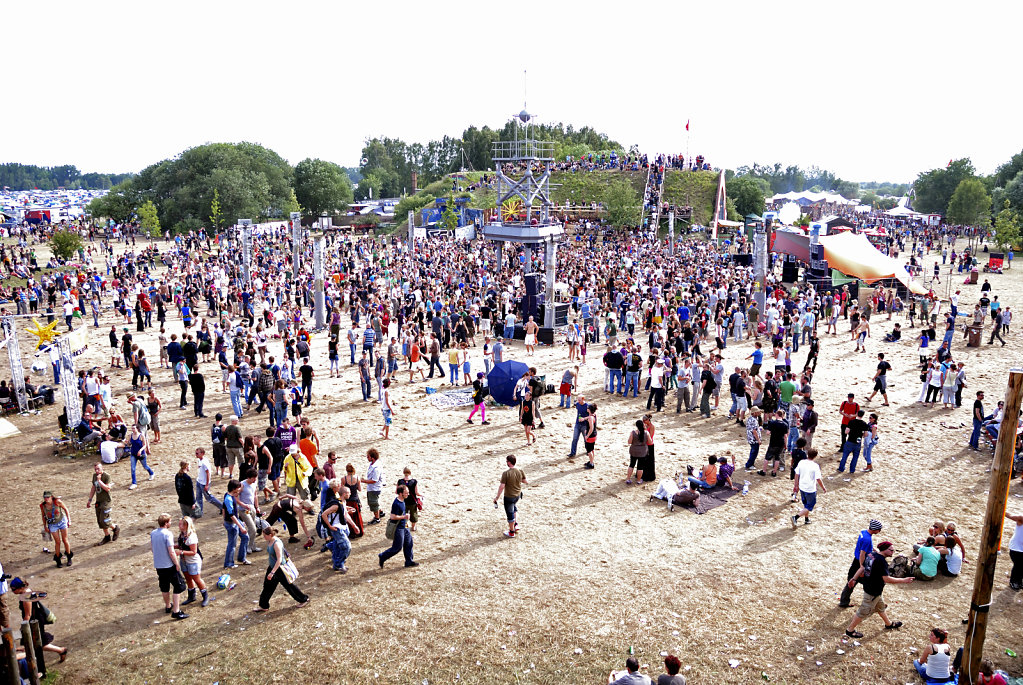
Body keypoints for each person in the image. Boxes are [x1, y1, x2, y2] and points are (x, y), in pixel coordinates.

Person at [844, 541, 913, 639]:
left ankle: (888, 624)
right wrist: (904, 580)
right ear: (884, 550)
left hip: (871, 588)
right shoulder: (881, 561)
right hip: (873, 591)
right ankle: (850, 630)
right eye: (891, 550)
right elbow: (886, 579)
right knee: (863, 611)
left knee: (880, 606)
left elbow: (863, 567)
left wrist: (854, 579)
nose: (893, 552)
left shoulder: (872, 555)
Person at [9, 579, 68, 662]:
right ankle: (60, 650)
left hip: (34, 622)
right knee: (36, 642)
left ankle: (61, 650)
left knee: (38, 643)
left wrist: (23, 627)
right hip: (37, 619)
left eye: (14, 589)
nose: (12, 591)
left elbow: (28, 615)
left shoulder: (26, 597)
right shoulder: (28, 591)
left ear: (21, 587)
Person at [254, 526, 309, 612]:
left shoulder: (276, 543)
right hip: (273, 567)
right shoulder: (270, 540)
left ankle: (303, 599)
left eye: (265, 536)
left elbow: (279, 559)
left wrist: (272, 573)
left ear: (271, 535)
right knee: (268, 586)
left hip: (279, 569)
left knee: (289, 586)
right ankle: (263, 605)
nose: (263, 537)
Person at [150, 514, 189, 620]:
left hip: (159, 565)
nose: (171, 523)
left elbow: (152, 548)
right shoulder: (168, 534)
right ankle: (176, 611)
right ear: (166, 523)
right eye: (170, 521)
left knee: (164, 586)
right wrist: (176, 564)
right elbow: (171, 552)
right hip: (169, 565)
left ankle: (168, 606)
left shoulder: (153, 533)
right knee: (179, 586)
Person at [839, 519, 883, 608]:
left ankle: (844, 601)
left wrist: (873, 549)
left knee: (851, 581)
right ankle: (877, 604)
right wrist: (862, 567)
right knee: (871, 584)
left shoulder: (863, 532)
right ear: (874, 529)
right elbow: (862, 553)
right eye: (879, 529)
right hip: (861, 562)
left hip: (856, 560)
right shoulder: (868, 539)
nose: (879, 531)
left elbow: (863, 546)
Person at [321, 479, 361, 573]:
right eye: (348, 492)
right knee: (346, 547)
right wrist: (330, 526)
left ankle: (330, 548)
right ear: (344, 494)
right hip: (337, 528)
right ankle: (339, 564)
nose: (350, 494)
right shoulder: (336, 505)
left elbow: (345, 515)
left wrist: (354, 526)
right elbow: (324, 514)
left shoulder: (343, 502)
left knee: (337, 544)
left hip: (342, 527)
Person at [377, 484, 418, 569]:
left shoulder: (402, 500)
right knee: (397, 547)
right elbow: (392, 516)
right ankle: (382, 556)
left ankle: (409, 561)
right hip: (398, 528)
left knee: (409, 543)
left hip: (404, 526)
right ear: (400, 493)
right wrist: (404, 517)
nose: (408, 494)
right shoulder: (396, 503)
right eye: (406, 493)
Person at [176, 516, 210, 607]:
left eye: (181, 524)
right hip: (184, 561)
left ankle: (205, 596)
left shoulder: (192, 537)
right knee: (188, 578)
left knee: (197, 579)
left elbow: (194, 552)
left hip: (193, 561)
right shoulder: (182, 534)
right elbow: (181, 545)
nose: (179, 526)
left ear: (186, 525)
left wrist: (181, 552)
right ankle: (191, 596)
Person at [86, 462, 120, 544]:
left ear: (102, 468)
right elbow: (93, 487)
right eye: (95, 469)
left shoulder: (106, 476)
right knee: (100, 520)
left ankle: (115, 528)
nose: (97, 471)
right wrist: (90, 499)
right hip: (99, 500)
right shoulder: (94, 476)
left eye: (98, 469)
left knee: (105, 519)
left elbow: (107, 488)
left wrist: (99, 481)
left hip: (106, 500)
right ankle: (107, 536)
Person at [494, 454, 527, 538]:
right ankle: (516, 524)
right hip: (517, 495)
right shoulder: (520, 470)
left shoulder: (506, 473)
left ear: (509, 462)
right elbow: (525, 481)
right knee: (514, 508)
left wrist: (497, 497)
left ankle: (511, 531)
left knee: (510, 514)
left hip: (509, 496)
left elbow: (502, 486)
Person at [791, 448, 825, 527]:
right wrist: (823, 487)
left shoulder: (802, 462)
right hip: (810, 489)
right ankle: (795, 517)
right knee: (810, 506)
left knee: (806, 504)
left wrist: (796, 485)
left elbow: (797, 474)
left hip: (802, 486)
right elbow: (818, 479)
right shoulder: (815, 466)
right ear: (815, 456)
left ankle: (806, 519)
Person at [40, 491, 73, 568]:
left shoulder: (57, 502)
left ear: (51, 497)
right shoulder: (42, 506)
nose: (46, 499)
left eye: (48, 497)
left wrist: (69, 520)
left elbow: (65, 509)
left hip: (62, 521)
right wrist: (45, 526)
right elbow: (43, 515)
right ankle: (58, 559)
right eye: (45, 497)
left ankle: (69, 557)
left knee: (65, 540)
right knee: (57, 542)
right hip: (52, 524)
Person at [222, 480, 249, 569]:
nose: (240, 490)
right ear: (234, 489)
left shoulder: (229, 495)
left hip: (234, 521)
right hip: (232, 523)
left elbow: (223, 509)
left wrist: (223, 520)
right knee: (232, 544)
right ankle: (229, 563)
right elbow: (231, 515)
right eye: (238, 488)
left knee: (245, 537)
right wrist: (240, 526)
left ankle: (242, 558)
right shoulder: (228, 499)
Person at [126, 424, 154, 490]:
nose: (133, 430)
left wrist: (140, 450)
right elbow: (130, 444)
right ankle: (134, 483)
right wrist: (127, 442)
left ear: (137, 429)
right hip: (133, 454)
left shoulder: (141, 436)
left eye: (134, 428)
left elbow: (144, 445)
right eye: (132, 428)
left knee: (145, 466)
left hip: (141, 454)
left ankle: (151, 473)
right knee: (132, 468)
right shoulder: (131, 435)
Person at [626, 419, 651, 484]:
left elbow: (629, 442)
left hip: (634, 450)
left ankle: (628, 479)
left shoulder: (633, 432)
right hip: (642, 452)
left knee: (631, 464)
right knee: (640, 466)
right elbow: (650, 442)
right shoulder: (646, 433)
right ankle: (638, 480)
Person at [397, 466, 421, 532]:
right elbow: (416, 492)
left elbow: (396, 492)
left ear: (403, 472)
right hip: (412, 501)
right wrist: (421, 495)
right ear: (410, 472)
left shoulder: (400, 481)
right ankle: (413, 527)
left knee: (404, 515)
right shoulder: (414, 481)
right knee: (413, 514)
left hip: (403, 501)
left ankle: (406, 527)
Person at [1004, 511, 1023, 590]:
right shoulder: (1021, 518)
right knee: (1018, 565)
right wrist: (1002, 510)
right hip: (1016, 548)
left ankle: (1019, 582)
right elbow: (1011, 516)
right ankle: (1013, 581)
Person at [582, 403, 598, 469]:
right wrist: (584, 418)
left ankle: (591, 464)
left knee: (589, 450)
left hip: (591, 436)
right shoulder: (593, 415)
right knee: (592, 449)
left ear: (589, 410)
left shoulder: (591, 418)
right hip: (594, 435)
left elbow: (591, 428)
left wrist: (587, 436)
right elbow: (589, 417)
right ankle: (591, 461)